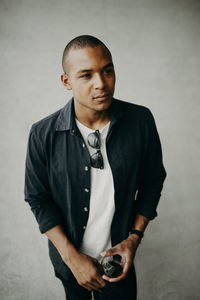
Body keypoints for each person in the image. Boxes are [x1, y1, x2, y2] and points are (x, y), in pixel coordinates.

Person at [24, 35, 167, 300]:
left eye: (107, 71)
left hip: (120, 263)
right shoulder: (42, 133)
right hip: (69, 263)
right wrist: (72, 259)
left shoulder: (140, 121)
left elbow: (152, 181)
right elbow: (37, 198)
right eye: (86, 75)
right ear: (66, 82)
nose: (101, 84)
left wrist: (133, 239)